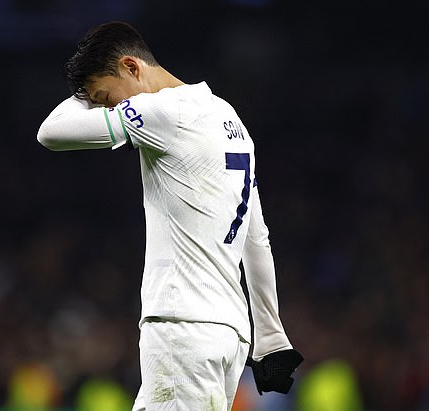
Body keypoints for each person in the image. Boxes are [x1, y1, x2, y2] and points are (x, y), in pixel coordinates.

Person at [37, 21, 302, 410]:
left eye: (105, 96)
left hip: (183, 329)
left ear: (131, 67)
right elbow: (255, 237)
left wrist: (81, 95)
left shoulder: (162, 112)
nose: (110, 108)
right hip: (228, 334)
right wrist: (271, 338)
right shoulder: (230, 120)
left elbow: (50, 132)